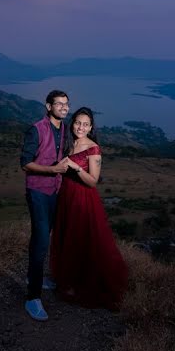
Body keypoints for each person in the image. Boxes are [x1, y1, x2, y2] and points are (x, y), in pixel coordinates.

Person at [50, 107, 128, 310]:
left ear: (91, 127)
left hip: (83, 198)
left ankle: (83, 283)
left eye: (85, 124)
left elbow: (93, 181)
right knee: (66, 235)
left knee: (82, 238)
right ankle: (67, 279)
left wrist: (76, 168)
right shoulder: (70, 143)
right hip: (66, 195)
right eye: (78, 123)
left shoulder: (93, 149)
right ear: (72, 123)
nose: (81, 127)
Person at [20, 90, 71, 321]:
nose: (63, 107)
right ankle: (32, 298)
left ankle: (35, 277)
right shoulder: (37, 129)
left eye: (66, 104)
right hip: (38, 191)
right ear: (48, 106)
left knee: (45, 236)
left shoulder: (64, 129)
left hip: (56, 191)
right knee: (41, 240)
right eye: (58, 104)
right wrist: (52, 170)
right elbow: (26, 163)